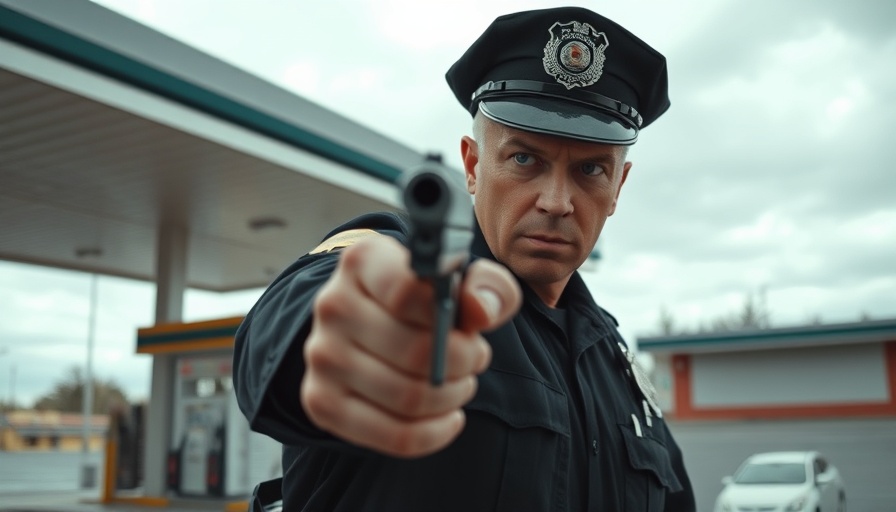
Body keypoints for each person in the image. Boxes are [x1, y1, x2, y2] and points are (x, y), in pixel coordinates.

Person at [234, 6, 696, 511]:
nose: (557, 201)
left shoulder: (616, 363)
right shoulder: (410, 271)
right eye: (525, 159)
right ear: (473, 166)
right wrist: (352, 339)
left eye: (590, 170)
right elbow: (303, 321)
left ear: (618, 187)